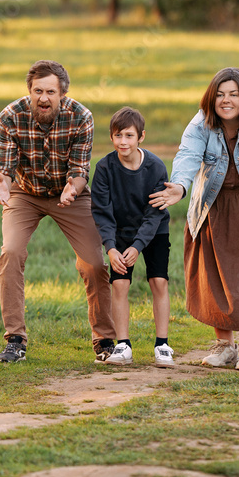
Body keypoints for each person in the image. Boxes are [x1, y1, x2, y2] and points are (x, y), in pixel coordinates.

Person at [151, 67, 239, 372]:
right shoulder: (201, 122)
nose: (226, 100)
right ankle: (224, 345)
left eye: (233, 94)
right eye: (220, 95)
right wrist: (181, 185)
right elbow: (187, 154)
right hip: (213, 208)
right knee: (213, 277)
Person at [0, 60, 116, 363]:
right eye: (37, 91)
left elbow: (80, 168)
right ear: (29, 91)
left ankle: (104, 340)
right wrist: (3, 185)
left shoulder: (81, 117)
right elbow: (3, 166)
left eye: (50, 92)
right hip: (24, 192)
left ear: (62, 93)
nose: (43, 98)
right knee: (11, 252)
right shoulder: (10, 116)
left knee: (94, 264)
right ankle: (15, 339)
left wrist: (72, 188)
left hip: (69, 193)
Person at [90, 106, 174, 368]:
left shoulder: (155, 167)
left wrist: (138, 246)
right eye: (118, 136)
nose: (123, 141)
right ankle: (123, 345)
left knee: (158, 281)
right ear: (111, 137)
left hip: (154, 229)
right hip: (120, 232)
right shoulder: (104, 168)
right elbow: (101, 212)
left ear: (141, 137)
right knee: (119, 285)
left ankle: (162, 345)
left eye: (128, 136)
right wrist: (111, 248)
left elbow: (154, 214)